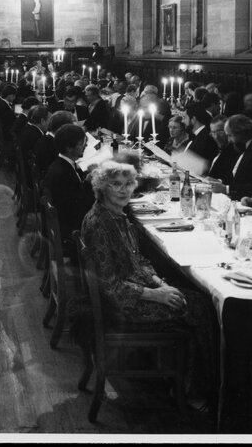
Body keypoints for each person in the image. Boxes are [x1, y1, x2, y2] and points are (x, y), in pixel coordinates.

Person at [73, 161, 214, 410]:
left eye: (128, 184)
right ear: (102, 188)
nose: (123, 190)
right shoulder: (100, 223)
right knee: (199, 307)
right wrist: (157, 295)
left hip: (133, 292)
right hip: (120, 307)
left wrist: (160, 282)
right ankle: (191, 390)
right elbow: (110, 285)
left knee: (192, 299)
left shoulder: (116, 216)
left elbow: (137, 259)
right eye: (115, 184)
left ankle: (181, 379)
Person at [40, 124, 92, 247]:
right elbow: (79, 207)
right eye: (81, 144)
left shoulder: (61, 164)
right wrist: (90, 184)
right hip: (70, 233)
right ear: (69, 148)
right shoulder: (63, 173)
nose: (85, 146)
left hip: (65, 220)